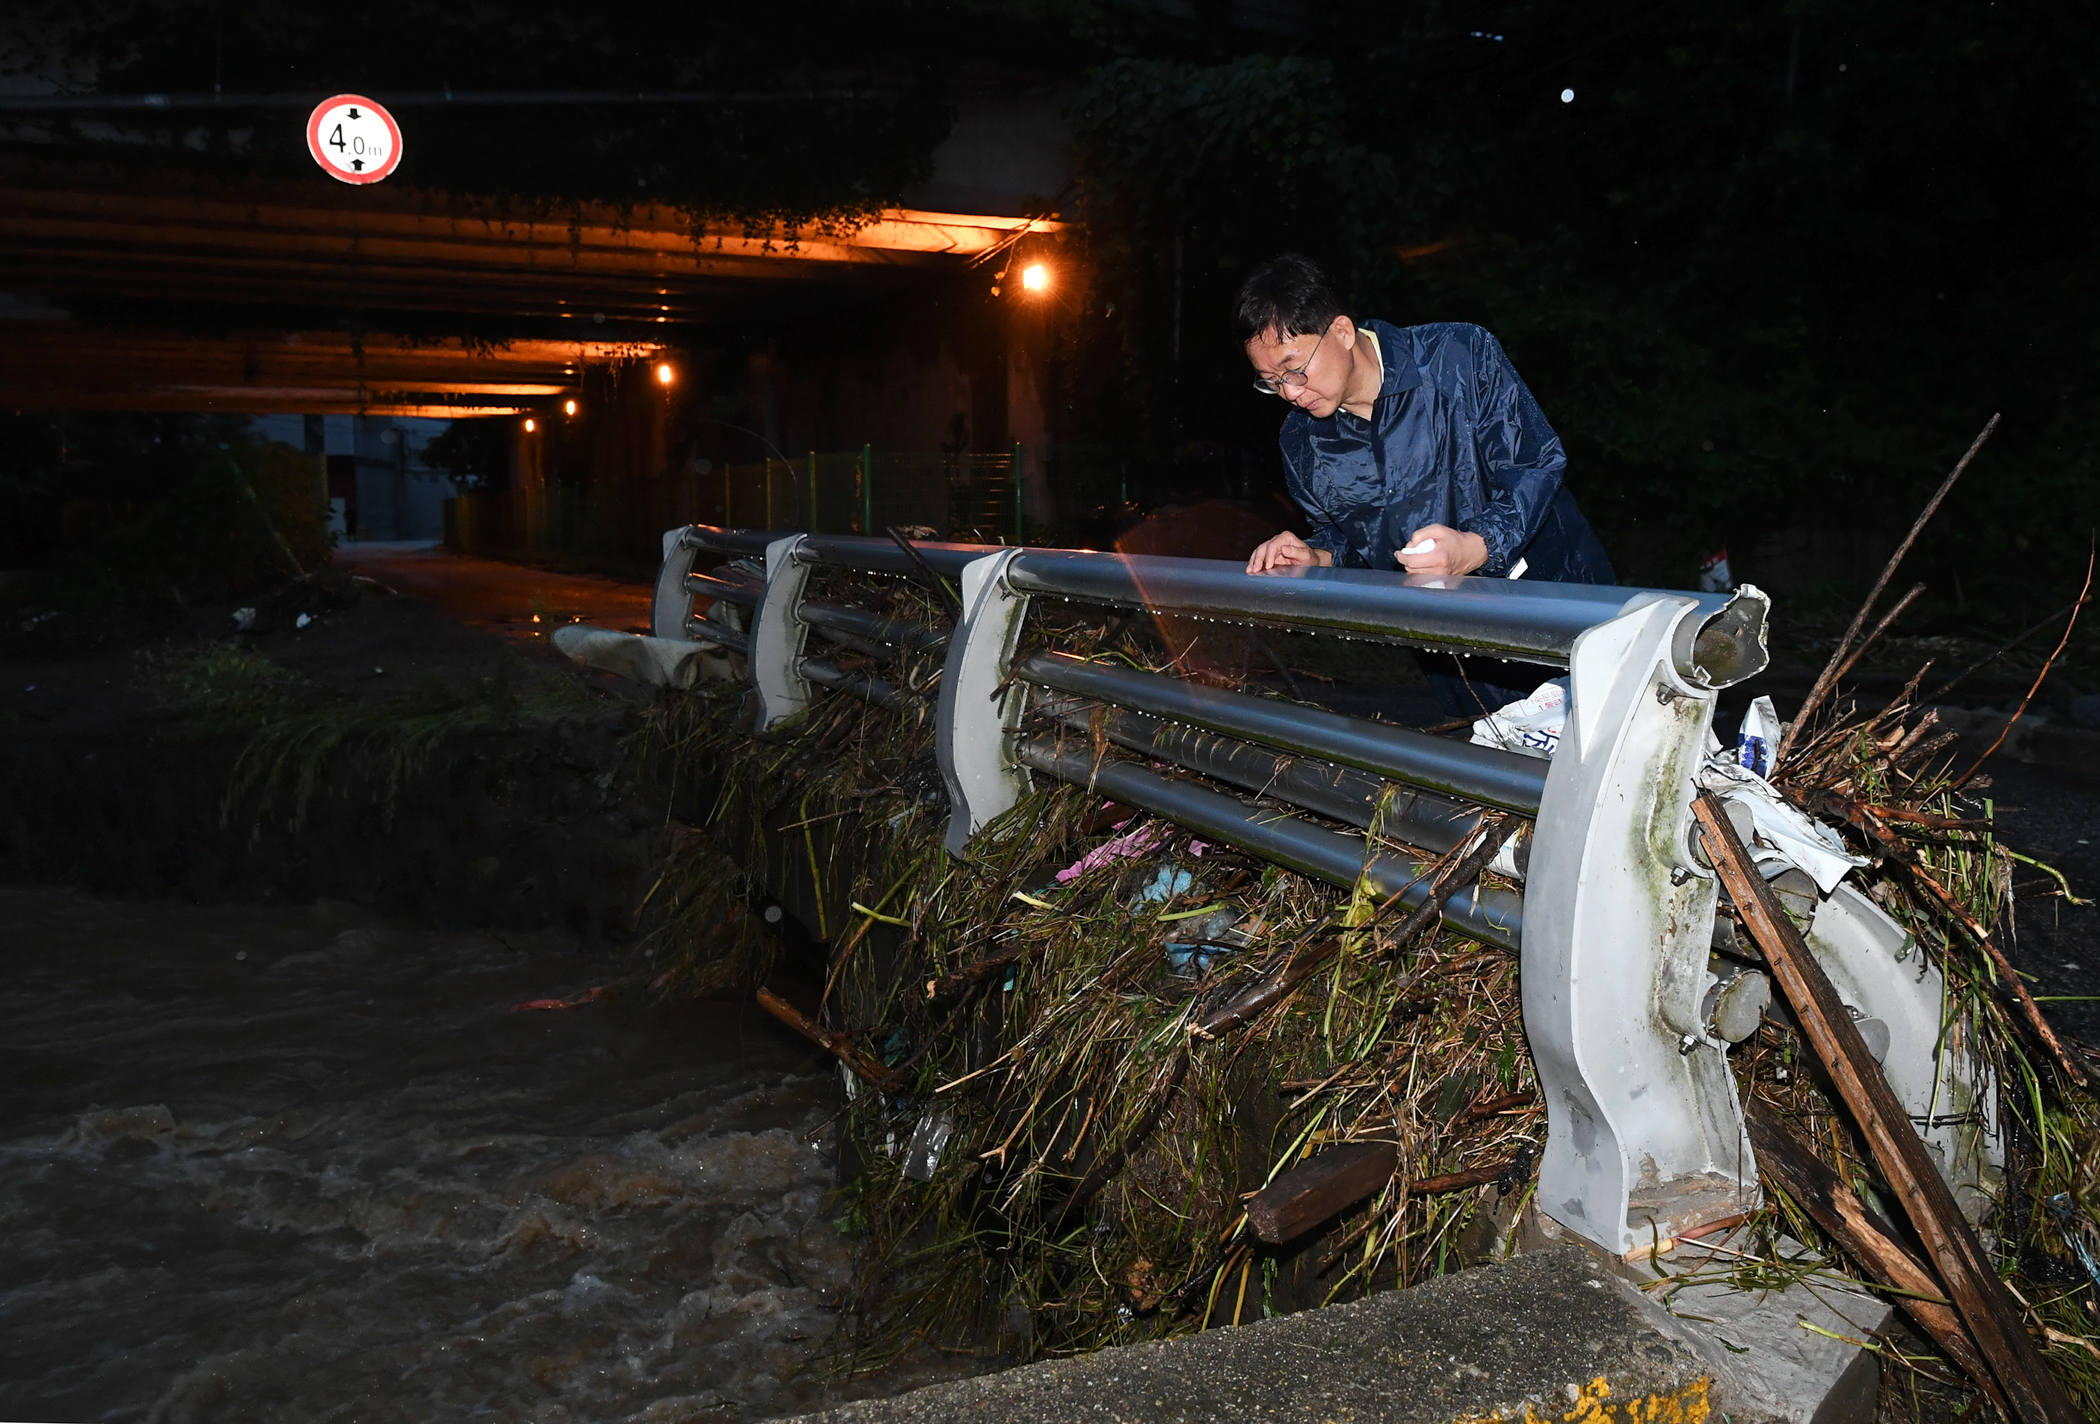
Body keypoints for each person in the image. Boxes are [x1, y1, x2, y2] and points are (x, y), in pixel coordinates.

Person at [1236, 253, 1615, 717]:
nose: (1290, 392)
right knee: (1494, 774)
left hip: (1558, 614)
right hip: (1452, 654)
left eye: (1295, 369)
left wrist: (1476, 546)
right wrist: (1315, 555)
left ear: (1341, 331)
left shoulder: (1458, 356)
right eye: (1272, 382)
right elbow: (1354, 540)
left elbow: (1535, 463)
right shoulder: (1301, 441)